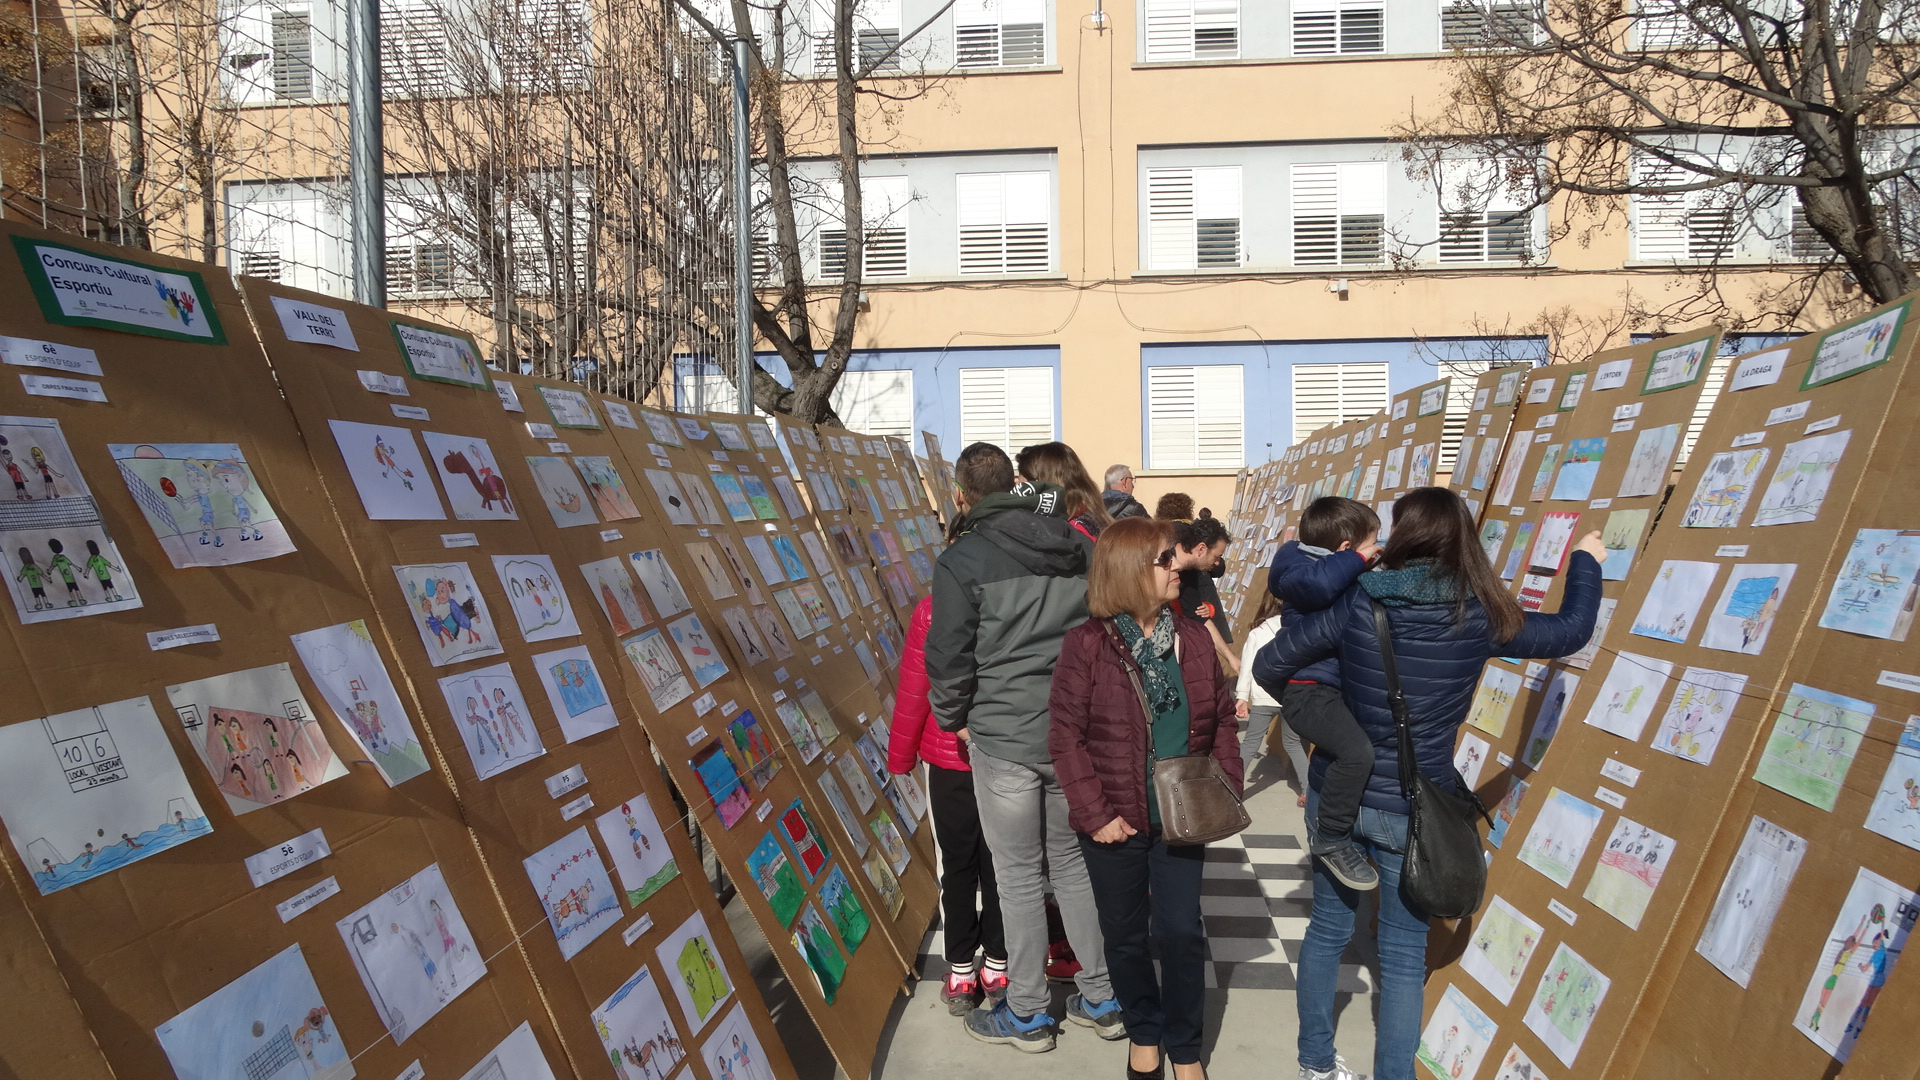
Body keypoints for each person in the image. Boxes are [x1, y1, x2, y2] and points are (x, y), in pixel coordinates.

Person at [1253, 487, 1604, 1080]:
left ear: (1403, 534)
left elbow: (1269, 665)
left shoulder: (1361, 599)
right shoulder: (1480, 614)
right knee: (1402, 954)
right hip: (1415, 805)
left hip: (1337, 788)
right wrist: (1588, 561)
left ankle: (1315, 1062)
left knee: (1328, 929)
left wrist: (1327, 705)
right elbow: (1570, 632)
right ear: (1463, 540)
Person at [926, 442, 1118, 1052]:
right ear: (1013, 482)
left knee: (1017, 876)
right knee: (1071, 865)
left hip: (1004, 736)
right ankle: (1102, 996)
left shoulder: (963, 559)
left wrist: (953, 717)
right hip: (1069, 732)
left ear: (962, 496)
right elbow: (1104, 626)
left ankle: (1030, 1011)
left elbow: (949, 657)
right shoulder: (1077, 542)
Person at [1050, 517, 1241, 1080]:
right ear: (1131, 570)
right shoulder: (1087, 645)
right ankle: (1144, 1031)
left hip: (1184, 814)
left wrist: (1224, 785)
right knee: (1126, 935)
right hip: (1116, 820)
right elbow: (1065, 736)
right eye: (1165, 559)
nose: (1178, 565)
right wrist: (1096, 813)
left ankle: (1185, 1047)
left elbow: (1224, 720)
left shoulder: (1193, 637)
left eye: (1175, 556)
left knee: (1181, 932)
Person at [889, 583, 1008, 1016]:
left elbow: (915, 686)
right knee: (1002, 862)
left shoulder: (932, 608)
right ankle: (996, 964)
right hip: (1005, 753)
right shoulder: (1020, 595)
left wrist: (900, 757)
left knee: (956, 866)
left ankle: (961, 969)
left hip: (948, 760)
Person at [1269, 496, 1384, 890]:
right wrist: (1359, 562)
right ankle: (1331, 837)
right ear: (1347, 549)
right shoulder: (1299, 569)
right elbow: (1318, 584)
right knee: (1357, 752)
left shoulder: (1326, 568)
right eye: (1373, 543)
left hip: (1326, 688)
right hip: (1309, 689)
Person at [1235, 592, 1304, 803]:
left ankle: (1232, 790)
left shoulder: (1258, 633)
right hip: (1289, 696)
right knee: (1293, 744)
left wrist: (1242, 696)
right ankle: (1308, 791)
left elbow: (1246, 667)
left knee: (1250, 743)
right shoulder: (1298, 631)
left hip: (1263, 697)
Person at [1168, 517, 1237, 674]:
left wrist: (1230, 658)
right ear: (1201, 549)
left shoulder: (1190, 573)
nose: (1218, 563)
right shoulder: (1163, 556)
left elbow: (1199, 616)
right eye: (1216, 556)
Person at [1020, 442, 1113, 541]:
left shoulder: (1070, 534)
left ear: (1041, 483)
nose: (1017, 485)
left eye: (1023, 483)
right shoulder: (1090, 519)